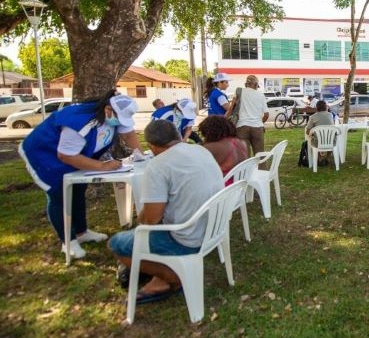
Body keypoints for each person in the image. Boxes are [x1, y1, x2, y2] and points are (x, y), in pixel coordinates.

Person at [108, 120, 224, 304]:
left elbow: (151, 220)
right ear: (178, 137)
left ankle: (173, 277)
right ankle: (160, 276)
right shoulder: (200, 150)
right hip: (214, 228)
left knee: (117, 243)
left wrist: (142, 217)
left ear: (152, 147)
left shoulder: (158, 165)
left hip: (187, 239)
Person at [19, 90, 142, 259]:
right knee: (58, 194)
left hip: (75, 154)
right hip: (45, 154)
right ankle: (68, 242)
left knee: (78, 189)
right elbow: (66, 155)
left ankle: (81, 232)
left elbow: (128, 134)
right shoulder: (81, 121)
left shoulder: (113, 114)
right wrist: (101, 166)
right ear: (107, 109)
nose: (120, 124)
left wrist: (140, 154)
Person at [198, 115, 249, 183]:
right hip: (239, 185)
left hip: (222, 188)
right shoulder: (241, 143)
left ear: (210, 132)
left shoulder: (214, 147)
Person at [228, 75, 269, 156]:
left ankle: (247, 169)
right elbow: (266, 115)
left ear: (246, 84)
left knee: (245, 158)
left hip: (241, 127)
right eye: (257, 86)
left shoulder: (239, 91)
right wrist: (260, 122)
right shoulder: (261, 95)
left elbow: (233, 106)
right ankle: (261, 168)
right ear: (256, 84)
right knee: (260, 156)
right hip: (257, 128)